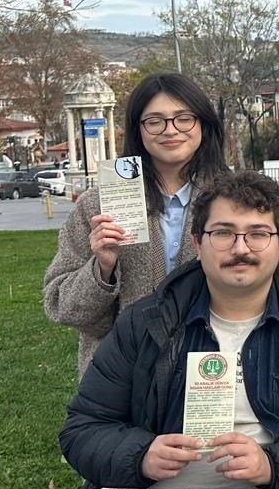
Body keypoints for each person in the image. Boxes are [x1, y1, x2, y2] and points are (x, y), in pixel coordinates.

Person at [60, 171, 279, 489]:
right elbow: (83, 429)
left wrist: (274, 464)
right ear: (198, 243)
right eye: (224, 233)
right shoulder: (145, 322)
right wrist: (140, 455)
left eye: (258, 233)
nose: (241, 248)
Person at [45, 73, 229, 379]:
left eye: (183, 118)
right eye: (154, 121)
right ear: (138, 129)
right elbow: (63, 307)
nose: (170, 130)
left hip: (211, 374)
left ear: (203, 125)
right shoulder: (97, 205)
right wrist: (102, 268)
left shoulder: (236, 199)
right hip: (123, 380)